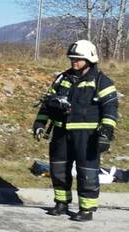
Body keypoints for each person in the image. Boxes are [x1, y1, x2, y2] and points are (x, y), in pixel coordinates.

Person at [32, 39, 119, 221]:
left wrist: (106, 134)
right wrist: (40, 123)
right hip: (61, 133)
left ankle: (86, 209)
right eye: (72, 58)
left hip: (87, 136)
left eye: (77, 59)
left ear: (89, 59)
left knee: (86, 172)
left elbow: (110, 109)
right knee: (59, 169)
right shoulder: (62, 79)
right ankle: (61, 204)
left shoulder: (102, 81)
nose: (74, 62)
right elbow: (48, 103)